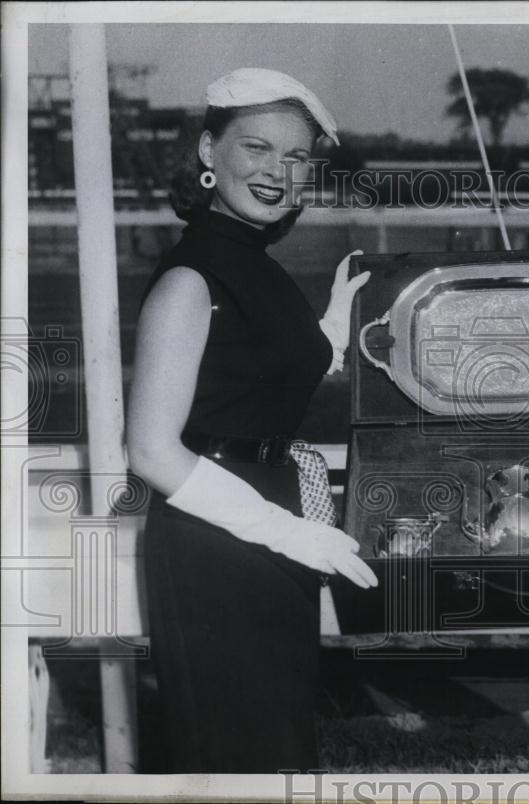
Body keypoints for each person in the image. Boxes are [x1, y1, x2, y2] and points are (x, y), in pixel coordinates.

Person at [126, 68, 378, 773]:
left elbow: (253, 383)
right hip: (216, 544)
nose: (278, 172)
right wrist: (284, 531)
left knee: (275, 747)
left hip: (269, 530)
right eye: (257, 148)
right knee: (234, 754)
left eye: (296, 157)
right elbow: (150, 450)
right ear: (209, 152)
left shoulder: (253, 264)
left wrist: (330, 323)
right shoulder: (191, 277)